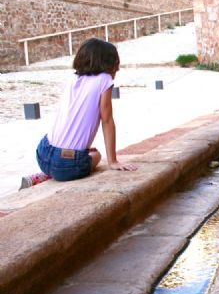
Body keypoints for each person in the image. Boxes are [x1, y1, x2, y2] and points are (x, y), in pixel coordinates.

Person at [21, 38, 136, 189]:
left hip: (43, 152)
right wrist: (113, 161)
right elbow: (107, 120)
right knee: (96, 155)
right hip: (67, 164)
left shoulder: (73, 78)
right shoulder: (105, 79)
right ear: (110, 63)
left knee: (78, 154)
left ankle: (44, 175)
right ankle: (53, 173)